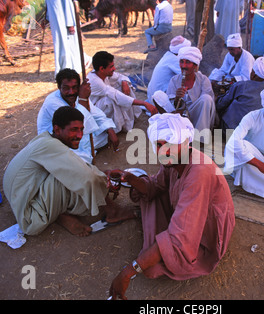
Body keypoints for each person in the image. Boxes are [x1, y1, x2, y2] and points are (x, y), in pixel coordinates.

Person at [108, 113, 235, 300]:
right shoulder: (173, 161)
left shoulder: (198, 172)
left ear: (185, 144)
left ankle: (161, 248)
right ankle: (158, 245)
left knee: (151, 268)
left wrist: (128, 272)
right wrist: (130, 178)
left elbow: (180, 237)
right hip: (188, 212)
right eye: (159, 145)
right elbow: (155, 186)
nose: (163, 151)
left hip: (207, 232)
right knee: (149, 196)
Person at [4, 107, 136, 237]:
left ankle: (61, 216)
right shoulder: (50, 145)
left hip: (24, 200)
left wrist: (101, 173)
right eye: (74, 130)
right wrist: (105, 180)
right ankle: (113, 211)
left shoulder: (45, 139)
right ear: (57, 129)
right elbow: (87, 176)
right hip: (30, 218)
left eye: (81, 130)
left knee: (73, 171)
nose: (79, 135)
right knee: (80, 176)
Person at [37, 68, 118, 164]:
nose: (71, 92)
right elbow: (74, 124)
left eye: (74, 87)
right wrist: (83, 99)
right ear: (59, 87)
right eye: (66, 88)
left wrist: (109, 129)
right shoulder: (52, 102)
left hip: (77, 133)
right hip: (59, 139)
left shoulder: (77, 96)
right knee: (74, 159)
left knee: (106, 133)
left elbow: (96, 114)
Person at [87, 51, 158, 133]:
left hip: (104, 103)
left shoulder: (102, 73)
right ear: (102, 69)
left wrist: (124, 82)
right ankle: (117, 127)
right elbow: (116, 95)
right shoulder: (94, 81)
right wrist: (144, 103)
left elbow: (120, 76)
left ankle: (128, 120)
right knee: (112, 99)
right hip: (95, 110)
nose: (114, 69)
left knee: (125, 86)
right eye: (111, 67)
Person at [166, 46, 216, 144]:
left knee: (206, 98)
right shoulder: (174, 80)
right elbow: (171, 106)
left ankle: (199, 140)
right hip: (182, 117)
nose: (183, 66)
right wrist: (177, 98)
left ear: (195, 65)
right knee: (158, 96)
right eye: (181, 62)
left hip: (200, 119)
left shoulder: (203, 79)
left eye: (187, 62)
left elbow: (207, 104)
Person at [216, 57, 264, 136]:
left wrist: (219, 96)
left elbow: (221, 104)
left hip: (232, 131)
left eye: (252, 70)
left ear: (254, 74)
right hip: (256, 133)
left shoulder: (242, 86)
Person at [44, 0, 92, 77]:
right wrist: (46, 19)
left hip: (64, 22)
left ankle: (69, 68)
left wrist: (70, 23)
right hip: (55, 23)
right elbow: (49, 6)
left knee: (69, 45)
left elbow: (68, 4)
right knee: (60, 46)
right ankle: (64, 69)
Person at [147, 35, 191, 102]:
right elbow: (190, 76)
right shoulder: (175, 60)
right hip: (160, 100)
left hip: (153, 96)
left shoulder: (168, 56)